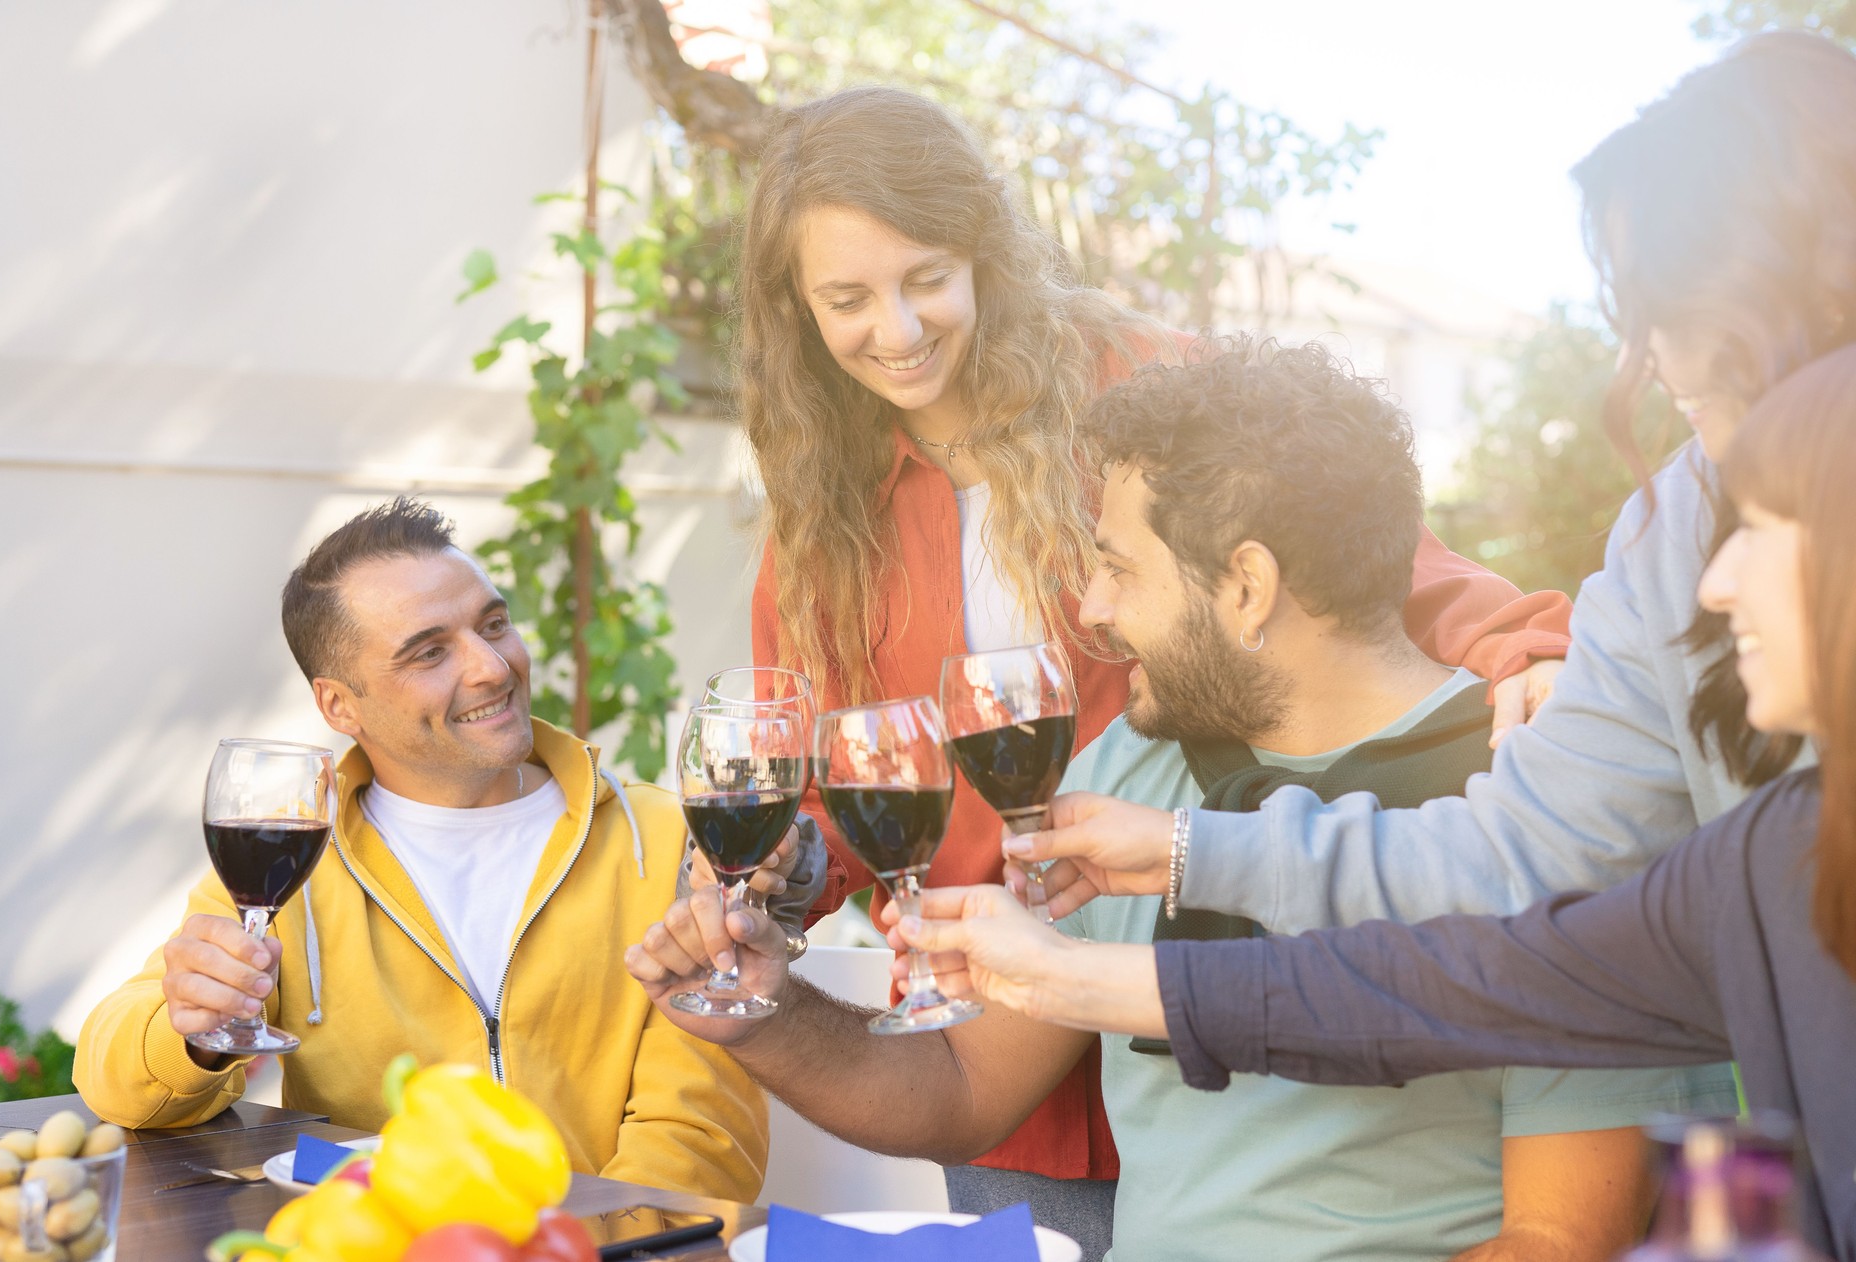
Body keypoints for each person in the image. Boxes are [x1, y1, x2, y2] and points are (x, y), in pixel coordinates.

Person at [631, 343, 1730, 1261]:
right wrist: (764, 1006)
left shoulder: (1542, 804)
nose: (1092, 611)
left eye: (1119, 568)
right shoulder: (1126, 779)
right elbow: (961, 1087)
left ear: (1245, 586)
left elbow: (1562, 1236)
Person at [731, 82, 1575, 1240]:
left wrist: (1524, 645)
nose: (900, 327)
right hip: (1001, 1036)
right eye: (847, 299)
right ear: (797, 310)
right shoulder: (819, 522)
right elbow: (837, 797)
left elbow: (1342, 555)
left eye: (925, 276)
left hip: (1218, 936)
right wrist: (782, 878)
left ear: (981, 247)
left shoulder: (1138, 383)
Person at [894, 338, 1856, 1262]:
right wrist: (1153, 882)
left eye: (1758, 537)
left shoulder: (1602, 816)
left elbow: (1451, 984)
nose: (1710, 585)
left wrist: (1093, 945)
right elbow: (1412, 991)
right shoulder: (1762, 847)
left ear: (1248, 587)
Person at [1009, 30, 1854, 955]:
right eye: (1635, 310)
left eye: (1677, 301)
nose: (1648, 358)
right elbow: (1524, 856)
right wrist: (1189, 853)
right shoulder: (1674, 529)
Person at [73, 498, 769, 1202]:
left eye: (494, 625)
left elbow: (700, 1138)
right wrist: (193, 1033)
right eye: (430, 652)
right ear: (340, 706)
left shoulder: (666, 840)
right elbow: (114, 1079)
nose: (493, 668)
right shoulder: (296, 862)